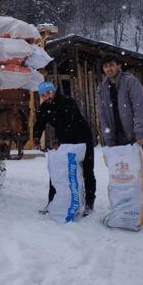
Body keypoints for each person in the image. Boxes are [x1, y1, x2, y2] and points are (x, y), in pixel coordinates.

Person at [95, 54, 143, 225]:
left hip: (134, 138)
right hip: (117, 139)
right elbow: (102, 115)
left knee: (141, 172)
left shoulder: (131, 83)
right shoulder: (102, 88)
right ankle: (127, 206)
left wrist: (140, 134)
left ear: (119, 66)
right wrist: (108, 138)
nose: (109, 69)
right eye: (106, 66)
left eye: (112, 65)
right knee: (122, 175)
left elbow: (140, 109)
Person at [33, 81, 96, 216]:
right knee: (58, 170)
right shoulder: (45, 107)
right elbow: (39, 123)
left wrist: (61, 142)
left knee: (87, 170)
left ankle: (89, 203)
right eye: (43, 95)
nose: (47, 96)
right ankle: (52, 202)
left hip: (82, 137)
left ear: (54, 91)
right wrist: (36, 137)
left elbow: (70, 122)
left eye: (49, 93)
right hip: (65, 140)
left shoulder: (67, 101)